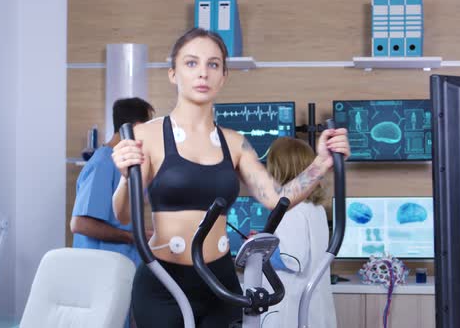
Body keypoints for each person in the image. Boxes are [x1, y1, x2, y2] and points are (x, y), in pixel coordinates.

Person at [111, 27, 350, 328]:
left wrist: (321, 163)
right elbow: (122, 215)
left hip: (219, 281)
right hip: (163, 283)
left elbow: (277, 199)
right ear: (173, 73)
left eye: (213, 64)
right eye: (191, 63)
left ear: (223, 76)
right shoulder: (146, 136)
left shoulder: (235, 143)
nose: (203, 73)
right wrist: (124, 178)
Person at [70, 97, 154, 328]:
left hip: (119, 273)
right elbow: (80, 224)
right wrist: (132, 236)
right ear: (136, 127)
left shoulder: (120, 165)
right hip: (101, 276)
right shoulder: (102, 164)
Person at [261, 137, 337, 328]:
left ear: (279, 170)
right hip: (311, 309)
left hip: (289, 312)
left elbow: (292, 260)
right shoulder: (314, 208)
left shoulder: (290, 209)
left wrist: (260, 249)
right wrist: (267, 239)